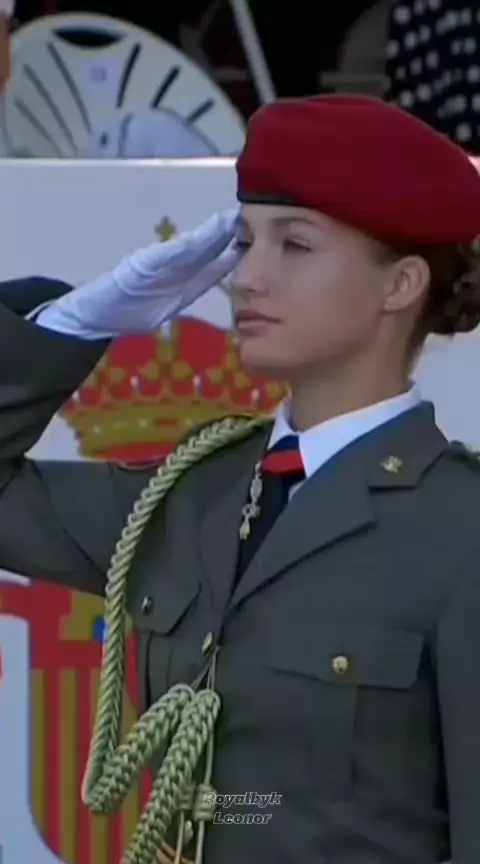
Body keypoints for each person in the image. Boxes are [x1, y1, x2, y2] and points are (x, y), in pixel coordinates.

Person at [2, 94, 480, 864]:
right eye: (245, 242)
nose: (246, 279)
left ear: (401, 284)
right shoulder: (188, 495)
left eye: (296, 245)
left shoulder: (460, 532)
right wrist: (70, 326)